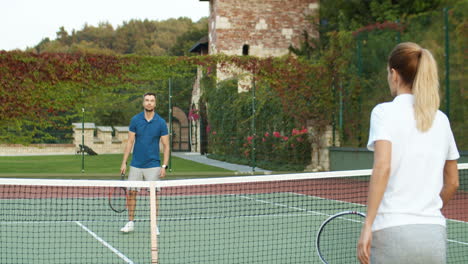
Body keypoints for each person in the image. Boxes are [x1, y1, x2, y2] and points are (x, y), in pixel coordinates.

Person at [357, 42, 459, 264]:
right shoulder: (441, 120)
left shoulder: (383, 113)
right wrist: (428, 207)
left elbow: (382, 167)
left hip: (391, 232)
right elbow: (452, 183)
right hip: (433, 235)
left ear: (394, 74)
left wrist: (368, 225)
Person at [120, 92, 170, 233]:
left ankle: (154, 225)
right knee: (131, 193)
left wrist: (164, 166)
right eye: (147, 100)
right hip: (136, 164)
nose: (149, 103)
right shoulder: (135, 120)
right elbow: (130, 142)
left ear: (155, 103)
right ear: (143, 103)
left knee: (153, 196)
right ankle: (130, 222)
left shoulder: (160, 122)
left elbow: (166, 146)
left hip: (153, 165)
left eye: (152, 101)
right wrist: (124, 162)